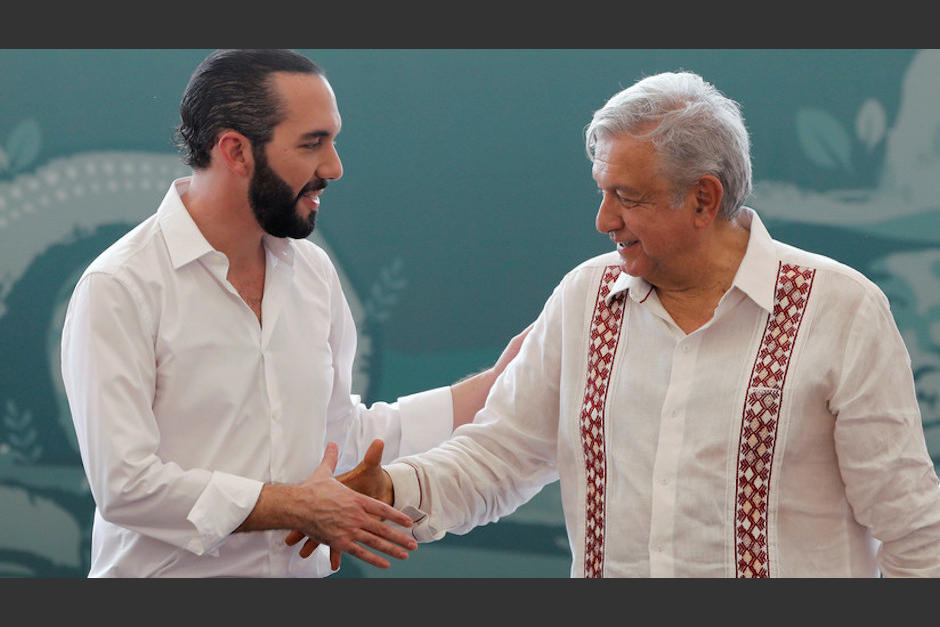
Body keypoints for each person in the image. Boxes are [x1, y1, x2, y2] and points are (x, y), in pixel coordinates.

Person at [290, 70, 940, 577]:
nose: (603, 220)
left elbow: (912, 530)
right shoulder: (585, 297)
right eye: (603, 191)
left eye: (626, 197)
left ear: (704, 198)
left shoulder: (840, 310)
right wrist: (391, 488)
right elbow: (499, 456)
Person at [60, 49, 528, 578]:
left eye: (333, 141)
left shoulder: (313, 273)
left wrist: (494, 387)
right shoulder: (118, 287)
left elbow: (338, 440)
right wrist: (292, 506)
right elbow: (126, 486)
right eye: (312, 143)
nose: (334, 167)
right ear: (236, 151)